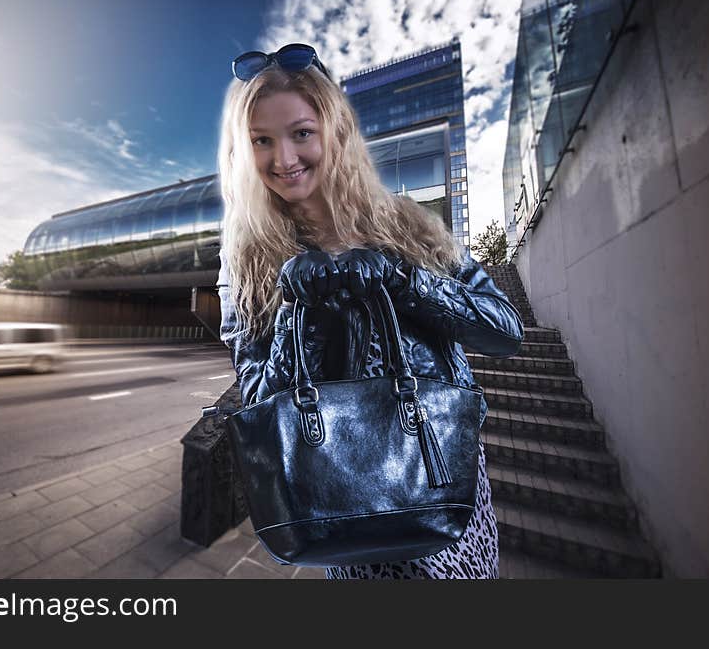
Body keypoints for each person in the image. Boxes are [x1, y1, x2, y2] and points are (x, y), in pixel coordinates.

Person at [215, 43, 524, 579]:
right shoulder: (245, 263)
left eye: (300, 133)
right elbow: (261, 403)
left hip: (445, 483)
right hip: (343, 507)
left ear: (333, 130)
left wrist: (407, 280)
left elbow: (504, 330)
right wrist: (299, 316)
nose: (283, 159)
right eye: (262, 141)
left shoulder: (410, 225)